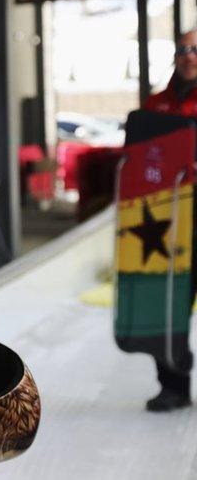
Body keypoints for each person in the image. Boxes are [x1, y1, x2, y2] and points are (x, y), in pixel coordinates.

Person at [139, 29, 197, 412]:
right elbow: (140, 157)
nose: (189, 55)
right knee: (167, 305)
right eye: (183, 49)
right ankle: (173, 386)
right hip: (167, 220)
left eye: (195, 49)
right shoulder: (155, 104)